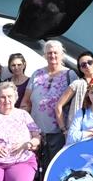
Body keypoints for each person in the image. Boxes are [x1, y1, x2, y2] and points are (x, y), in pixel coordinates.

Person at [19, 40, 78, 168]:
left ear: (62, 54)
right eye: (49, 53)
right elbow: (26, 101)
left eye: (55, 53)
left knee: (55, 166)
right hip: (35, 131)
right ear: (45, 55)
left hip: (58, 131)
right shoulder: (37, 74)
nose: (52, 56)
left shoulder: (70, 74)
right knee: (34, 167)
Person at [56, 51, 93, 132]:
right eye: (83, 65)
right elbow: (59, 105)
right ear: (80, 68)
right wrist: (64, 129)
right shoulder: (77, 83)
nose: (87, 66)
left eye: (90, 62)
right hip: (76, 130)